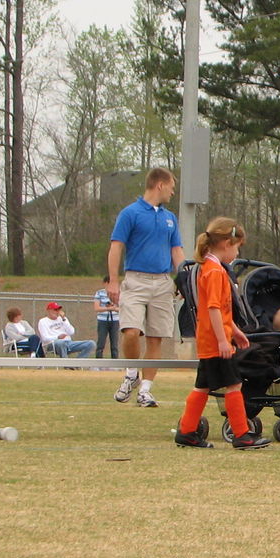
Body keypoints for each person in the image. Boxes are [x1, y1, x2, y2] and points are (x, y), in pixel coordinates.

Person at [173, 217, 268, 450]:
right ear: (226, 243)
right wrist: (224, 340)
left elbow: (219, 311)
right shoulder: (215, 272)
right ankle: (241, 434)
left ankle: (186, 431)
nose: (236, 253)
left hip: (209, 340)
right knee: (234, 385)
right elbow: (214, 309)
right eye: (237, 247)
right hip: (216, 342)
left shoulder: (209, 268)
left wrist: (234, 331)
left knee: (202, 386)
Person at [108, 167, 183, 408]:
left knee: (155, 338)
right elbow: (116, 247)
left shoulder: (170, 217)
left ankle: (146, 390)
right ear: (159, 184)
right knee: (131, 331)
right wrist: (112, 280)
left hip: (162, 282)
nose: (173, 191)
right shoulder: (130, 213)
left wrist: (183, 280)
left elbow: (177, 251)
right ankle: (131, 373)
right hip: (136, 279)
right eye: (171, 186)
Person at [93, 276, 120, 358]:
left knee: (114, 344)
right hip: (103, 321)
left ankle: (115, 364)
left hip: (115, 321)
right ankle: (99, 362)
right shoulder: (99, 293)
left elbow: (122, 308)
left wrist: (114, 308)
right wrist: (108, 308)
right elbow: (97, 308)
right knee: (101, 343)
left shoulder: (118, 293)